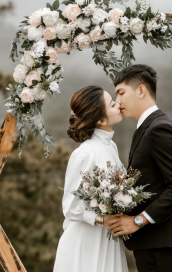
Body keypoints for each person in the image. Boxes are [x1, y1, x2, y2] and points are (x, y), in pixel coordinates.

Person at [107, 64, 172, 272]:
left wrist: (138, 220)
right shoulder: (145, 128)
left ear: (140, 90)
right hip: (152, 243)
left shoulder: (160, 128)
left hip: (166, 243)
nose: (117, 101)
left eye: (121, 92)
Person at [53, 85, 128, 272]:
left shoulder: (112, 147)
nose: (118, 104)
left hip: (108, 239)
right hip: (86, 241)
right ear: (101, 119)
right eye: (112, 104)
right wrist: (102, 220)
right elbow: (70, 208)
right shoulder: (85, 153)